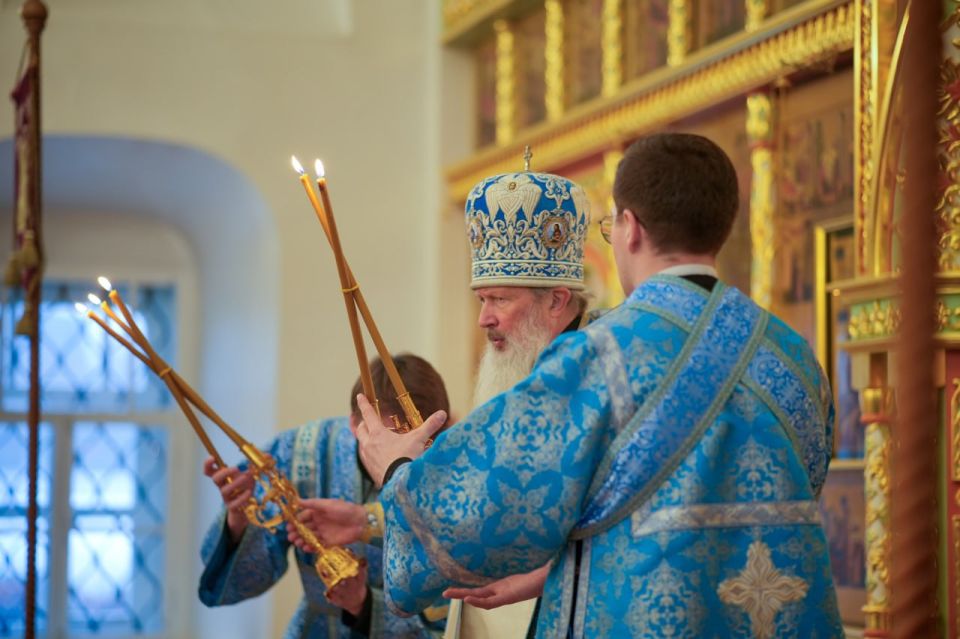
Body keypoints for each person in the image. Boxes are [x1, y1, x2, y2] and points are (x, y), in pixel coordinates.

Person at [354, 133, 844, 637]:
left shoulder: (597, 357)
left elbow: (490, 510)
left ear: (629, 229)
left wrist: (397, 468)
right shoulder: (793, 356)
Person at [295, 169, 594, 639]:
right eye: (481, 298)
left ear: (557, 300)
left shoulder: (597, 379)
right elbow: (487, 508)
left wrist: (396, 473)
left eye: (499, 299)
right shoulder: (532, 371)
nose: (483, 319)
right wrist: (366, 520)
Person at [198, 354, 451, 638]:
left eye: (416, 443)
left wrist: (364, 606)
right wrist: (239, 521)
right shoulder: (299, 454)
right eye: (389, 438)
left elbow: (451, 617)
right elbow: (240, 584)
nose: (398, 456)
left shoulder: (453, 480)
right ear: (356, 425)